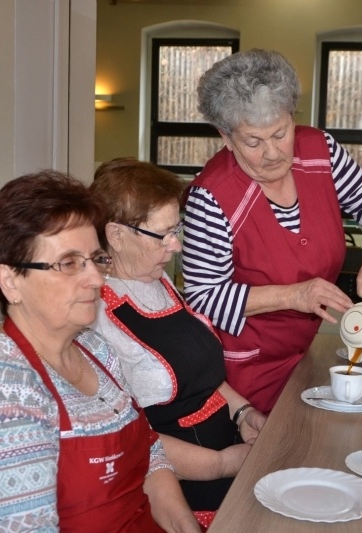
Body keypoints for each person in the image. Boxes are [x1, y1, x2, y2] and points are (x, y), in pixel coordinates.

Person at [0, 170, 200, 533]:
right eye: (69, 263)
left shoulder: (93, 349)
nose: (95, 279)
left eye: (95, 259)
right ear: (11, 280)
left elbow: (149, 456)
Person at [183, 48, 362, 414]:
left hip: (309, 355)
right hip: (245, 371)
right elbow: (204, 295)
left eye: (280, 133)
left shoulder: (321, 151)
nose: (272, 153)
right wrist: (294, 296)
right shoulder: (212, 196)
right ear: (226, 136)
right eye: (253, 141)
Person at [89, 158, 266, 530]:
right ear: (117, 236)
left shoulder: (158, 282)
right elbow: (129, 435)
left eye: (177, 228)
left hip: (230, 461)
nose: (177, 245)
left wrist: (243, 412)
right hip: (184, 491)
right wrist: (222, 464)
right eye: (164, 234)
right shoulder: (95, 315)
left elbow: (201, 375)